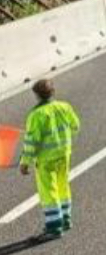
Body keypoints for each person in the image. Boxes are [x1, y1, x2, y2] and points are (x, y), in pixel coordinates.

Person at [20, 79, 80, 241]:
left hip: (46, 160)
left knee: (49, 191)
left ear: (37, 95)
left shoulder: (36, 115)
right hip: (64, 154)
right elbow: (75, 126)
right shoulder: (64, 107)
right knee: (62, 186)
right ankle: (66, 219)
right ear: (52, 92)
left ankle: (54, 227)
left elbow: (32, 142)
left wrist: (25, 162)